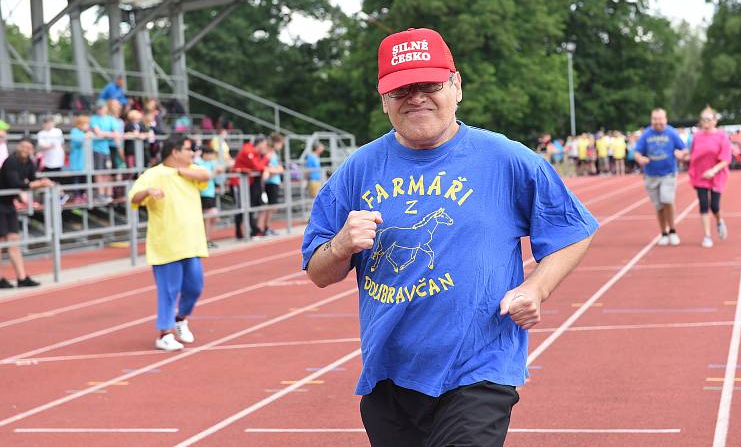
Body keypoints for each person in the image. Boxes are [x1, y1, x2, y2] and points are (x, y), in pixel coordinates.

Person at [301, 27, 598, 447]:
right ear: (384, 99)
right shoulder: (358, 169)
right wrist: (341, 245)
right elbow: (318, 272)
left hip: (478, 368)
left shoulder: (505, 158)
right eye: (402, 89)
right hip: (390, 374)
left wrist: (537, 288)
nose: (416, 97)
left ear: (456, 86)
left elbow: (572, 230)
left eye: (429, 84)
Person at [128, 135, 212, 351]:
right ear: (175, 151)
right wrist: (148, 192)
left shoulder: (191, 171)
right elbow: (134, 197)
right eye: (188, 149)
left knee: (195, 287)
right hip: (166, 244)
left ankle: (180, 318)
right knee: (168, 290)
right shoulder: (153, 174)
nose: (192, 152)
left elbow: (206, 174)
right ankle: (164, 334)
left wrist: (180, 171)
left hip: (191, 243)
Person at [0, 137, 55, 288]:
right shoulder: (10, 161)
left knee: (14, 242)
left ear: (32, 150)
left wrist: (45, 182)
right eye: (22, 146)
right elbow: (15, 183)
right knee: (1, 244)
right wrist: (36, 184)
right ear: (18, 146)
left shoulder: (30, 162)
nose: (24, 149)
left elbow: (32, 179)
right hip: (1, 202)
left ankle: (21, 277)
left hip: (8, 203)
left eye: (28, 147)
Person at [634, 108, 688, 246]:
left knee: (667, 200)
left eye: (660, 119)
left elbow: (684, 149)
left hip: (668, 173)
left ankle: (673, 230)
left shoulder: (671, 132)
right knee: (658, 206)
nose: (658, 122)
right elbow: (637, 152)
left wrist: (681, 154)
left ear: (665, 119)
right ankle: (663, 232)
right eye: (655, 119)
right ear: (652, 120)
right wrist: (640, 159)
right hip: (651, 175)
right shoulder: (646, 134)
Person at [687, 106, 732, 248]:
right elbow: (693, 154)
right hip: (700, 174)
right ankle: (707, 235)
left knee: (714, 205)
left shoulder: (722, 136)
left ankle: (719, 221)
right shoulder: (697, 136)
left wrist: (713, 170)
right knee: (703, 204)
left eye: (708, 119)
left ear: (715, 121)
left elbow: (726, 158)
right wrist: (683, 156)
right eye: (703, 119)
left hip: (717, 174)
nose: (705, 122)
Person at [231, 135, 269, 239]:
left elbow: (258, 167)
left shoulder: (254, 152)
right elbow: (257, 167)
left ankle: (249, 230)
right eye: (265, 144)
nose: (266, 147)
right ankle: (240, 231)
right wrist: (266, 158)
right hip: (238, 183)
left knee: (247, 206)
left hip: (246, 183)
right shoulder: (249, 151)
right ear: (260, 143)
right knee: (241, 207)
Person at [195, 146, 224, 248]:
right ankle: (205, 240)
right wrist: (215, 172)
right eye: (211, 154)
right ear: (205, 154)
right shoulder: (199, 164)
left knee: (212, 217)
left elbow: (219, 175)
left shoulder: (212, 163)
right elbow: (206, 177)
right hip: (203, 193)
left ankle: (208, 239)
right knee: (209, 215)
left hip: (211, 193)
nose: (212, 156)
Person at [89, 101, 117, 203]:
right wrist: (108, 134)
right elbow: (98, 133)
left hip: (108, 150)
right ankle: (100, 194)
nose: (100, 110)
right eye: (99, 108)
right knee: (99, 172)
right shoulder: (94, 119)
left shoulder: (110, 119)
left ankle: (108, 193)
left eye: (102, 107)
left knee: (108, 172)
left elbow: (116, 133)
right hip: (97, 150)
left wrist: (104, 134)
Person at [262, 132, 285, 236]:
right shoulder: (269, 154)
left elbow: (280, 167)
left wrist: (278, 169)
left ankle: (267, 227)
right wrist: (277, 170)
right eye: (281, 144)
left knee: (273, 206)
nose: (281, 146)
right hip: (270, 183)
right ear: (276, 143)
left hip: (274, 182)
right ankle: (266, 227)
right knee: (271, 206)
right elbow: (269, 168)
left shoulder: (274, 154)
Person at [67, 115, 93, 203]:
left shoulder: (85, 132)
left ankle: (83, 195)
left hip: (84, 162)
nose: (87, 126)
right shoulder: (75, 131)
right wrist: (86, 136)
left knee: (84, 179)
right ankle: (77, 195)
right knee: (76, 179)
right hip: (77, 161)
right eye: (86, 124)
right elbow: (77, 141)